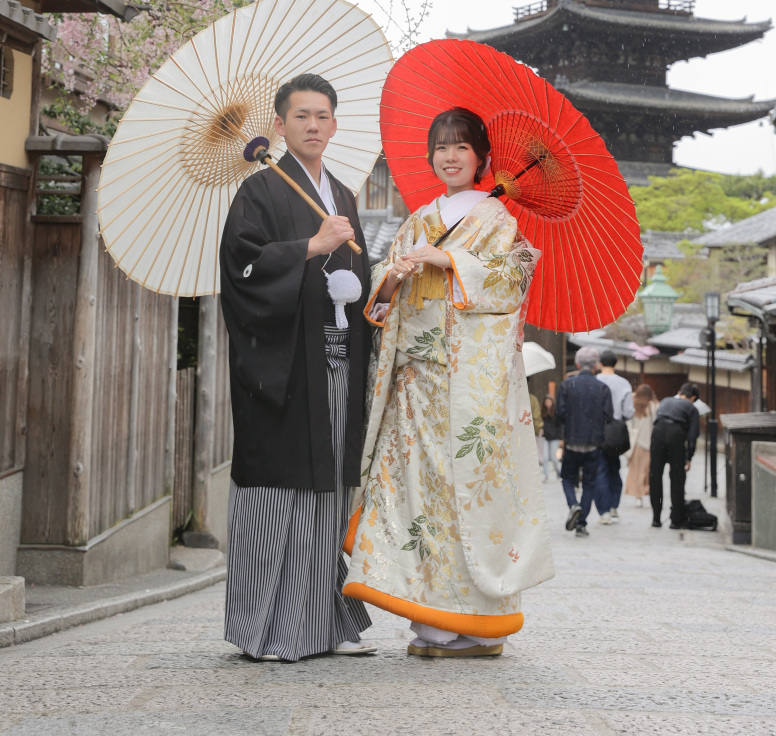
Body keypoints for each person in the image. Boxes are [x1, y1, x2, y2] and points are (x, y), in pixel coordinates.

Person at [343, 108, 554, 657]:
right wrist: (393, 276)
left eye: (462, 147)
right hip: (415, 383)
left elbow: (512, 281)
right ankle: (427, 608)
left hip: (465, 386)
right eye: (441, 147)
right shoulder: (418, 218)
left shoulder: (497, 220)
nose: (451, 156)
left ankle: (471, 617)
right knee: (414, 494)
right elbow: (380, 301)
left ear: (482, 158)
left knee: (465, 496)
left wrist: (452, 259)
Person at [219, 72, 374, 661]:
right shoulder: (259, 192)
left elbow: (355, 284)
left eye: (323, 116)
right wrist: (308, 248)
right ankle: (267, 630)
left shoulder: (344, 196)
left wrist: (372, 291)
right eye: (302, 116)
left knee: (328, 496)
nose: (314, 125)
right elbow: (241, 270)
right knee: (279, 494)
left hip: (338, 362)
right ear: (279, 125)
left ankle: (325, 626)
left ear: (334, 125)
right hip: (284, 372)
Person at [555, 346, 613, 536]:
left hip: (572, 440)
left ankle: (573, 505)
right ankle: (581, 523)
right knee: (589, 483)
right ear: (596, 365)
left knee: (567, 478)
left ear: (578, 364)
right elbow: (609, 416)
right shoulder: (602, 388)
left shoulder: (567, 385)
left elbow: (560, 413)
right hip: (593, 442)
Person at [649, 382, 700, 530]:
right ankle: (675, 520)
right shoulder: (692, 408)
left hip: (658, 433)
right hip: (677, 434)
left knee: (656, 476)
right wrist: (689, 456)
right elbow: (693, 435)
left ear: (679, 392)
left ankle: (656, 518)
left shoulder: (665, 401)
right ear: (693, 397)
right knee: (677, 478)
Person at [598, 351, 634, 520]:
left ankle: (603, 510)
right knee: (614, 468)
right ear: (615, 363)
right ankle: (613, 505)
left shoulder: (595, 381)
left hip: (598, 430)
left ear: (600, 363)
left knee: (601, 469)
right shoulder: (624, 383)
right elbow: (628, 412)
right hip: (616, 431)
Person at [625, 384, 658, 506]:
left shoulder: (633, 404)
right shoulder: (653, 406)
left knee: (638, 471)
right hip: (644, 442)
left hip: (638, 443)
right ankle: (640, 493)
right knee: (643, 471)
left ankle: (639, 494)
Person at [541, 395, 563, 481]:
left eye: (549, 401)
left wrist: (560, 437)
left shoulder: (556, 412)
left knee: (554, 457)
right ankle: (546, 475)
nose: (547, 403)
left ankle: (558, 471)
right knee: (545, 457)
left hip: (554, 437)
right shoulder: (542, 412)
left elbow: (560, 426)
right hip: (545, 437)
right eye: (546, 402)